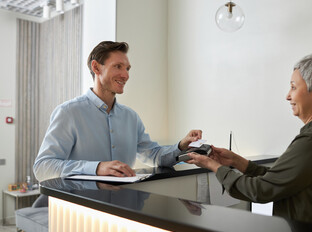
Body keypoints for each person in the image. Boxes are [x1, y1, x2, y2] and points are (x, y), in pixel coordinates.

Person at [187, 53, 312, 232]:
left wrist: (213, 166)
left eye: (293, 87)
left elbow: (261, 190)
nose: (287, 96)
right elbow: (281, 179)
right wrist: (237, 161)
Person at [34, 41, 201, 182]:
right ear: (96, 68)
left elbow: (155, 156)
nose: (125, 75)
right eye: (118, 67)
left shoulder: (131, 117)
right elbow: (43, 167)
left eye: (127, 68)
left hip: (124, 207)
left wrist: (181, 146)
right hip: (83, 210)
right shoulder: (68, 113)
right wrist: (97, 167)